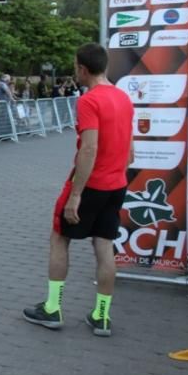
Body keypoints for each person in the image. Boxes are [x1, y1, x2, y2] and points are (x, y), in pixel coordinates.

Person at [23, 43, 133, 337]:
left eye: (76, 68)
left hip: (91, 185)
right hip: (117, 184)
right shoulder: (124, 98)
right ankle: (102, 316)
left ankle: (53, 308)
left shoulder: (89, 101)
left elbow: (90, 148)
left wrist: (75, 195)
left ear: (82, 69)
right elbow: (131, 151)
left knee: (59, 238)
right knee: (104, 245)